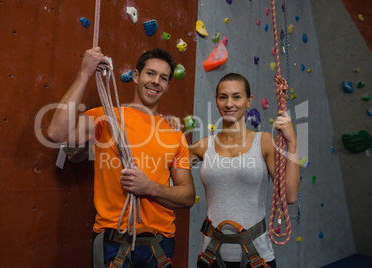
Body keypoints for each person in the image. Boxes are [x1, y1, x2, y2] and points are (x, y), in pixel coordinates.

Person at [46, 47, 195, 267]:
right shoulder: (107, 117)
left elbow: (187, 197)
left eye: (163, 78)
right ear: (136, 76)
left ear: (168, 85)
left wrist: (149, 187)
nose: (156, 81)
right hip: (113, 241)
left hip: (159, 244)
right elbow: (56, 133)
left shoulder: (174, 134)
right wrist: (84, 74)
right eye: (150, 73)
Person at [190, 73, 300, 268]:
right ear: (216, 101)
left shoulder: (264, 142)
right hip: (211, 256)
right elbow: (166, 162)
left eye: (237, 96)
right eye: (223, 97)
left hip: (256, 256)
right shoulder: (202, 146)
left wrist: (292, 142)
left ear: (249, 101)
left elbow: (289, 196)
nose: (229, 103)